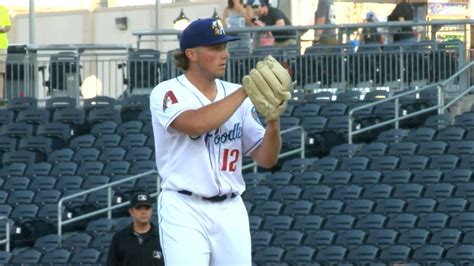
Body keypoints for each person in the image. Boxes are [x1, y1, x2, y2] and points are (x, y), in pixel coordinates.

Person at [150, 18, 283, 265]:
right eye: (215, 48)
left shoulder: (236, 94)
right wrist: (245, 91)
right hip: (184, 207)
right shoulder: (167, 92)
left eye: (224, 47)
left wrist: (273, 124)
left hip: (230, 209)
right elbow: (196, 123)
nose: (224, 54)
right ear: (191, 54)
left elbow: (266, 159)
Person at [107, 191, 163, 266]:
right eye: (139, 208)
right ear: (131, 211)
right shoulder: (119, 238)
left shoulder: (162, 238)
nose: (143, 212)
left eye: (147, 208)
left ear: (151, 211)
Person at [0, 5, 11, 99]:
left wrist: (2, 29)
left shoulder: (3, 9)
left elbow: (8, 26)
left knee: (0, 72)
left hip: (1, 46)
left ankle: (0, 97)